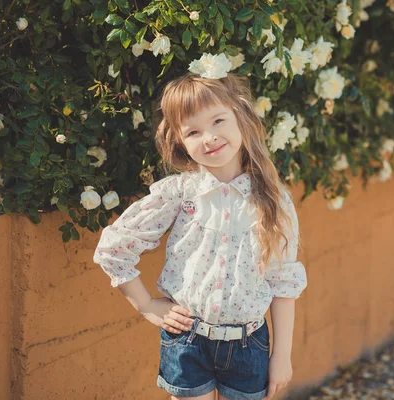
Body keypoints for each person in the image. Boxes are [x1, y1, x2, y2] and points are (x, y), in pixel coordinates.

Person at [93, 72, 308, 400]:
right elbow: (114, 247)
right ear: (180, 141)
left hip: (250, 345)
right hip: (186, 343)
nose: (209, 137)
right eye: (193, 131)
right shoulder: (179, 194)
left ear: (240, 116)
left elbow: (284, 284)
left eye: (218, 121)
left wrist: (281, 355)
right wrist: (147, 305)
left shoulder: (273, 199)